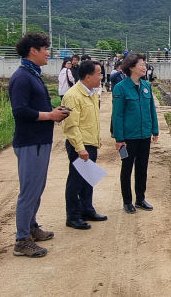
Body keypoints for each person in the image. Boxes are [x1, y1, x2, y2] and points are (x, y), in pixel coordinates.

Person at [8, 33, 70, 258]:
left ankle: (31, 227)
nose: (48, 53)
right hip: (30, 142)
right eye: (45, 48)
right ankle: (21, 240)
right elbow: (20, 111)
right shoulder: (22, 77)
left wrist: (55, 113)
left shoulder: (33, 74)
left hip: (40, 140)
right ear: (33, 50)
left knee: (38, 188)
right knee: (29, 191)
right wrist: (50, 115)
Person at [61, 60, 107, 230]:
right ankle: (72, 216)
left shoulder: (92, 93)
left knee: (88, 180)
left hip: (91, 143)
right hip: (80, 146)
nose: (101, 77)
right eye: (99, 73)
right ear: (88, 76)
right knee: (76, 181)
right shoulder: (73, 96)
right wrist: (80, 148)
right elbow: (71, 126)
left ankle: (87, 209)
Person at [112, 54, 159, 214]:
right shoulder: (120, 88)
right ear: (131, 67)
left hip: (144, 135)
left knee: (142, 168)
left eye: (145, 65)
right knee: (127, 169)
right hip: (128, 138)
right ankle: (127, 201)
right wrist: (119, 138)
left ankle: (140, 199)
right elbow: (117, 115)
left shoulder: (146, 86)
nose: (144, 68)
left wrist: (155, 130)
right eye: (141, 65)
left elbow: (152, 109)